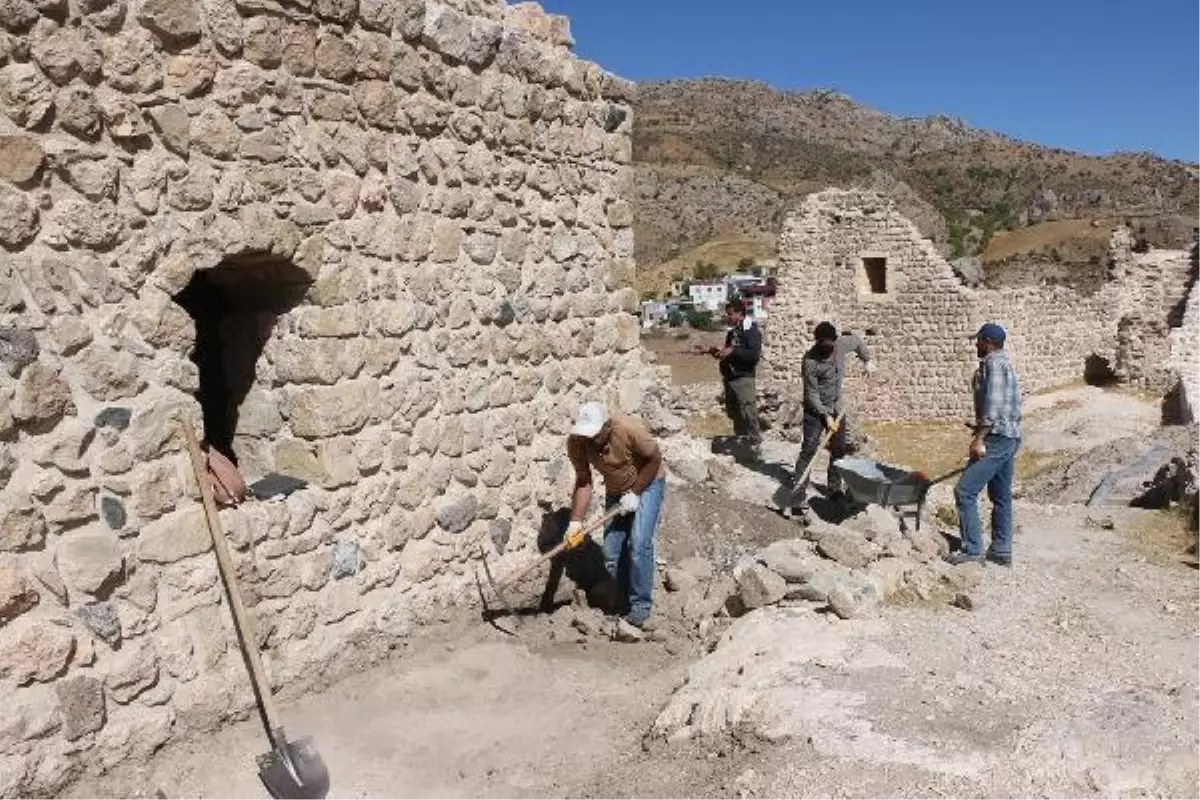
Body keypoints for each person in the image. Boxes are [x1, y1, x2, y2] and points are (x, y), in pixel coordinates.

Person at [566, 401, 667, 636]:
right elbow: (583, 480)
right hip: (616, 490)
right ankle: (622, 604)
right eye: (586, 435)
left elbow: (654, 459)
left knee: (639, 544)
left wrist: (636, 493)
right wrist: (575, 522)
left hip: (649, 483)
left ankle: (640, 609)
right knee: (612, 552)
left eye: (595, 435)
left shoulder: (628, 429)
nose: (590, 440)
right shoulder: (577, 442)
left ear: (607, 426)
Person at [783, 322, 875, 522]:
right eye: (822, 345)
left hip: (836, 406)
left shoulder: (841, 344)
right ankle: (798, 496)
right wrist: (825, 416)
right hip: (815, 411)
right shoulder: (809, 361)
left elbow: (858, 341)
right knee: (809, 448)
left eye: (829, 345)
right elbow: (812, 393)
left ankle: (833, 490)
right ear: (817, 342)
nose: (827, 349)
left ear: (834, 341)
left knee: (839, 449)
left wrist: (867, 360)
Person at [948, 323, 1022, 566]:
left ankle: (972, 550)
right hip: (1009, 435)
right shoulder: (1005, 364)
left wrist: (980, 438)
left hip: (997, 438)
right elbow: (1006, 406)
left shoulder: (993, 364)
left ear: (988, 341)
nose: (975, 345)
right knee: (1000, 495)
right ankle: (1001, 549)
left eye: (978, 340)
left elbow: (993, 406)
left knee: (965, 491)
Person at [709, 298, 763, 455]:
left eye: (730, 314)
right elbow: (726, 353)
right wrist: (712, 351)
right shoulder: (733, 333)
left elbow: (753, 356)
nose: (728, 317)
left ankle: (755, 442)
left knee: (748, 410)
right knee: (734, 412)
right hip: (730, 378)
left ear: (740, 313)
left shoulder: (751, 332)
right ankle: (742, 440)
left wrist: (734, 351)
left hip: (743, 378)